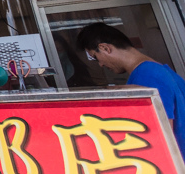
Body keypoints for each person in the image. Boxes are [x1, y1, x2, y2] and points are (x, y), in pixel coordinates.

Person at [77, 22, 185, 156]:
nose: (101, 64)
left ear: (105, 48)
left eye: (96, 57)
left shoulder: (147, 75)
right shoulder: (158, 70)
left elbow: (161, 133)